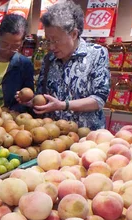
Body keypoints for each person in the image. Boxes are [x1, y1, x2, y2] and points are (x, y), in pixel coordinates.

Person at [16, 0, 110, 129]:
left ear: (74, 34)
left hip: (86, 137)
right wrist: (32, 101)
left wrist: (63, 105)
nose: (52, 46)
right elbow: (43, 96)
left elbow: (98, 100)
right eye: (48, 40)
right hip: (53, 136)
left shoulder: (96, 54)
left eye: (56, 40)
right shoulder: (49, 59)